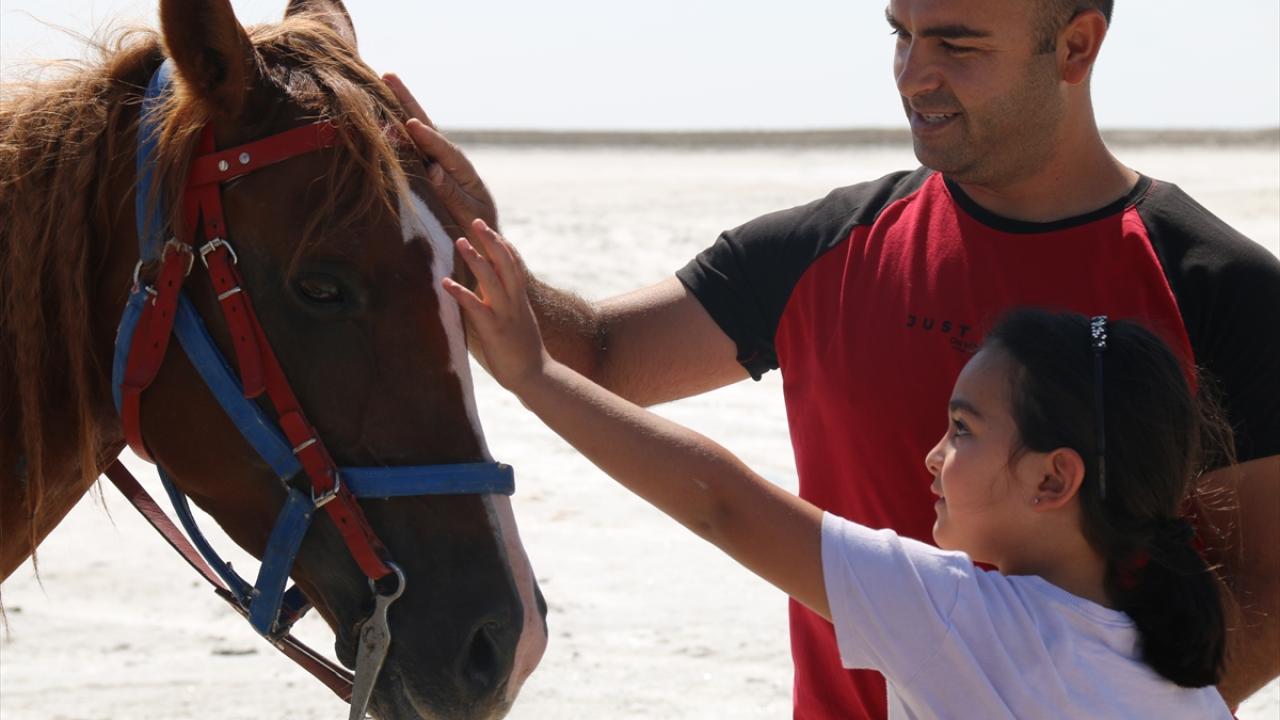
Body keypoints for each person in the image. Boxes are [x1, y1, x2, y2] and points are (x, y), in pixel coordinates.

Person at [386, 0, 1280, 715]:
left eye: (958, 44)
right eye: (901, 34)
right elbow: (606, 358)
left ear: (1076, 45)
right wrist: (466, 232)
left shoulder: (1222, 289)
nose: (916, 74)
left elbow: (1267, 594)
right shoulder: (826, 246)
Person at [442, 219, 1234, 718]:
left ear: (1052, 480)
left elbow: (723, 503)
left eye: (961, 430)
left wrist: (534, 375)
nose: (932, 455)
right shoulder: (1190, 691)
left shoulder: (963, 618)